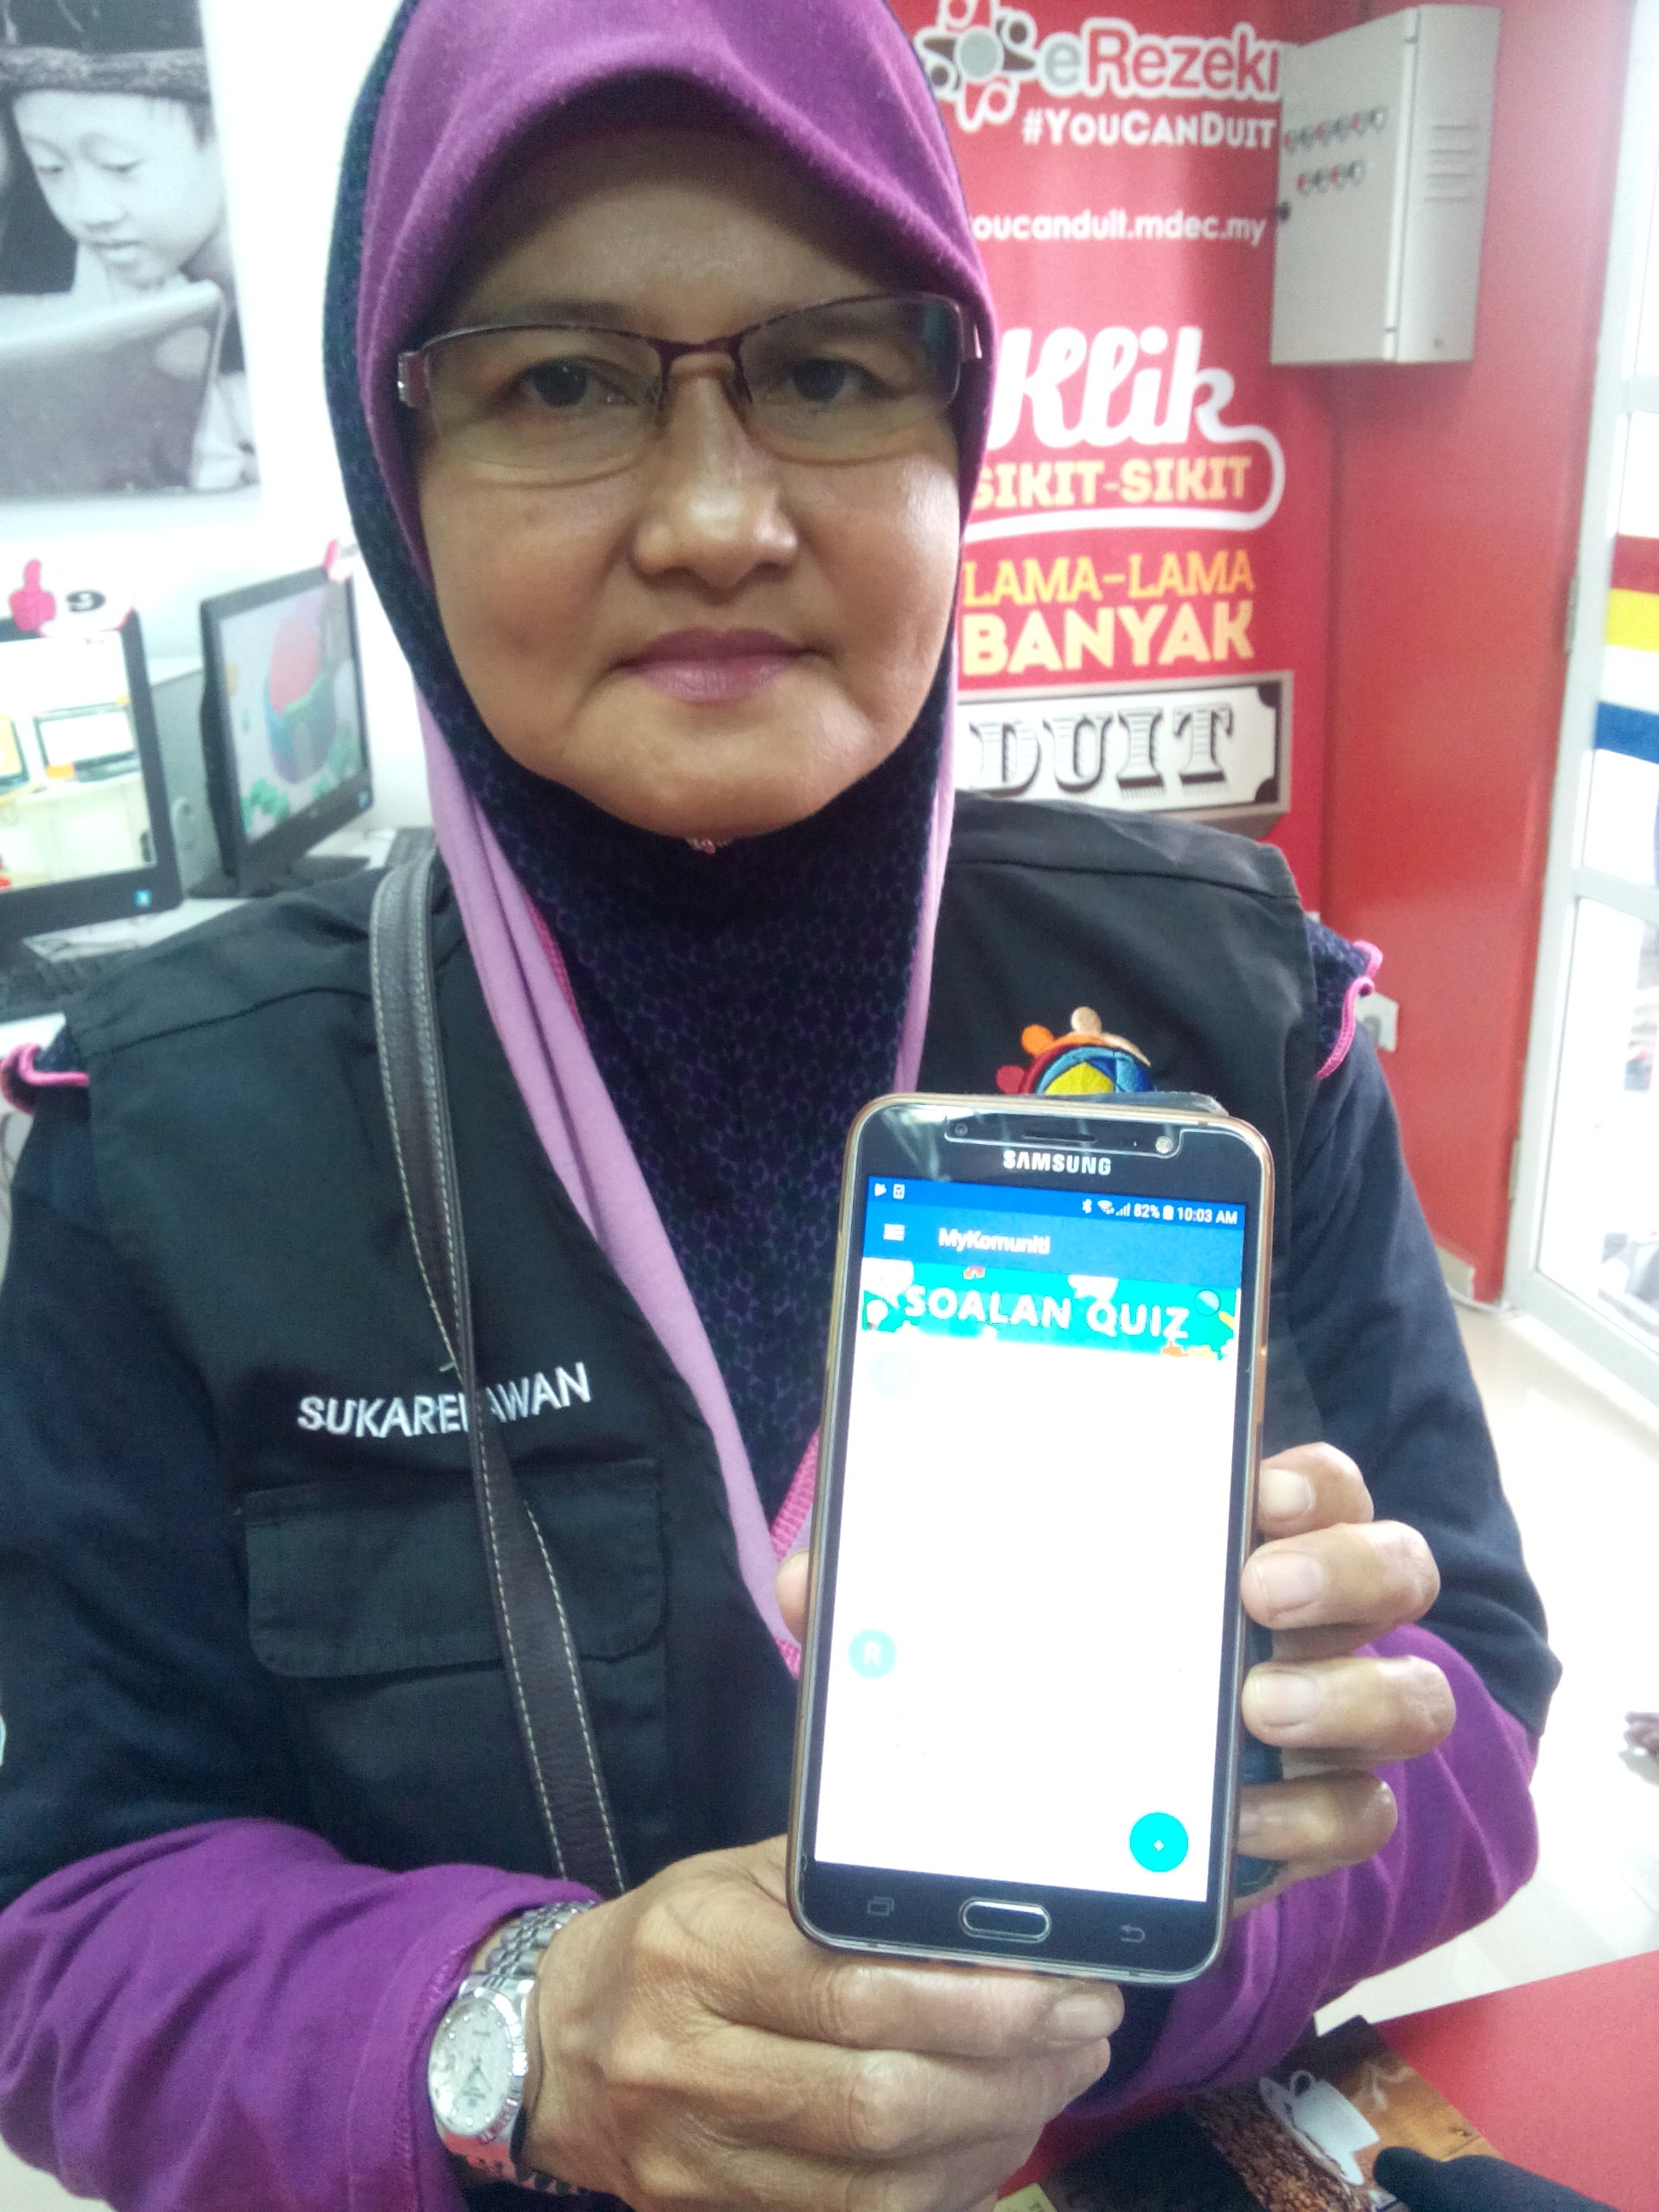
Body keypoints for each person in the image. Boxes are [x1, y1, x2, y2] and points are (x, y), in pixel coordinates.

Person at [0, 1, 1557, 2208]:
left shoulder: (1232, 998)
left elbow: (1473, 1697)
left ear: (959, 428)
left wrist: (1146, 1946)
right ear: (393, 462)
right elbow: (70, 1931)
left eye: (829, 371)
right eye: (561, 383)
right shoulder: (171, 1131)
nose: (719, 520)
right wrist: (526, 2032)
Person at [0, 0, 256, 487]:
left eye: (120, 166)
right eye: (50, 168)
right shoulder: (93, 297)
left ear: (228, 137)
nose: (87, 209)